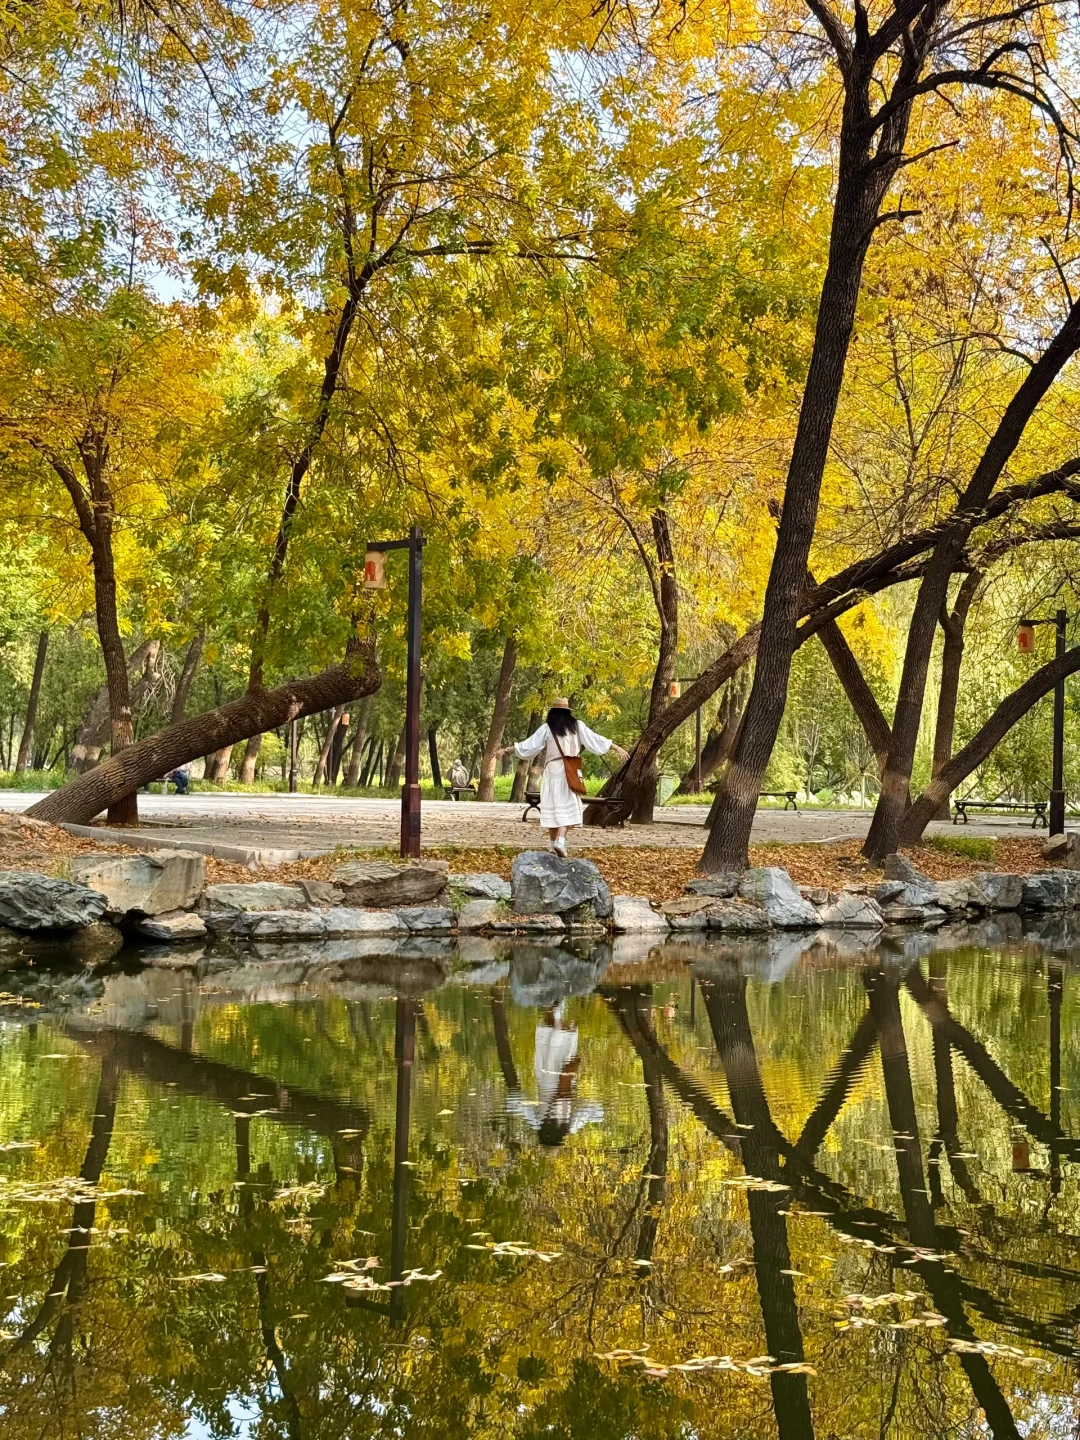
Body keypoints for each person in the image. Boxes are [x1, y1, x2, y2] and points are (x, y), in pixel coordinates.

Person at [496, 697, 628, 855]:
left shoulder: (547, 728)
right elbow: (595, 739)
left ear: (552, 712)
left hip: (552, 771)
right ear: (568, 713)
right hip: (570, 771)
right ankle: (560, 842)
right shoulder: (577, 726)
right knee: (568, 807)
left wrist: (506, 750)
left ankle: (553, 846)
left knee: (553, 808)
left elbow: (528, 746)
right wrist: (616, 748)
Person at [504, 1003, 604, 1147]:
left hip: (563, 1081)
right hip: (544, 1079)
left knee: (562, 1042)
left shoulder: (569, 1126)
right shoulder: (538, 1123)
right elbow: (514, 1102)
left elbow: (596, 1111)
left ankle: (557, 1007)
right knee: (549, 1037)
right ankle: (554, 1007)